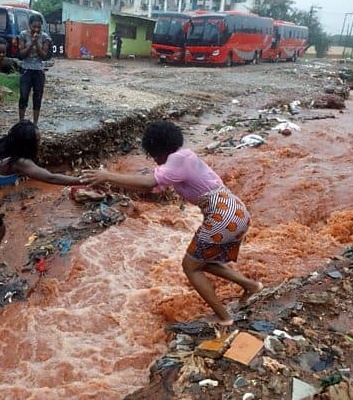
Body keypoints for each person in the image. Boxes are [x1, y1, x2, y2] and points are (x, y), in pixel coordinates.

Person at [83, 121, 263, 326]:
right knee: (204, 262)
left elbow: (149, 182)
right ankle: (252, 286)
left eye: (153, 156)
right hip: (235, 211)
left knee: (190, 267)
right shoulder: (184, 157)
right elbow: (150, 188)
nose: (155, 162)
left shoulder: (177, 160)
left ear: (158, 150)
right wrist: (110, 182)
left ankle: (224, 317)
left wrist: (107, 175)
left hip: (222, 215)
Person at [0, 120, 83, 282]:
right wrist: (80, 180)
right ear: (27, 144)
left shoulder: (5, 142)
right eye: (37, 140)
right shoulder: (19, 163)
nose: (40, 142)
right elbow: (51, 177)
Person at [18, 15, 51, 125]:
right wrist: (31, 42)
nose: (36, 30)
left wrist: (37, 43)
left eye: (39, 27)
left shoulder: (45, 37)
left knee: (37, 97)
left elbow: (44, 56)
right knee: (23, 96)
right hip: (26, 68)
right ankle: (21, 122)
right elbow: (21, 55)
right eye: (34, 27)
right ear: (29, 25)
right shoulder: (23, 35)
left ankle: (35, 123)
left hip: (39, 70)